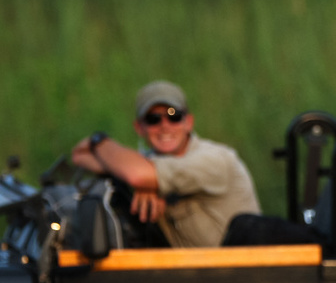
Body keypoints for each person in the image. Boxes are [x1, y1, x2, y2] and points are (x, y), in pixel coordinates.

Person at [71, 80, 261, 248]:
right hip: (188, 274)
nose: (164, 125)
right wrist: (100, 142)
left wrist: (103, 145)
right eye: (153, 119)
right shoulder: (148, 161)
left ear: (189, 122)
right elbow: (80, 155)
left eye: (174, 115)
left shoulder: (214, 159)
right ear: (139, 127)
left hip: (241, 273)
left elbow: (137, 175)